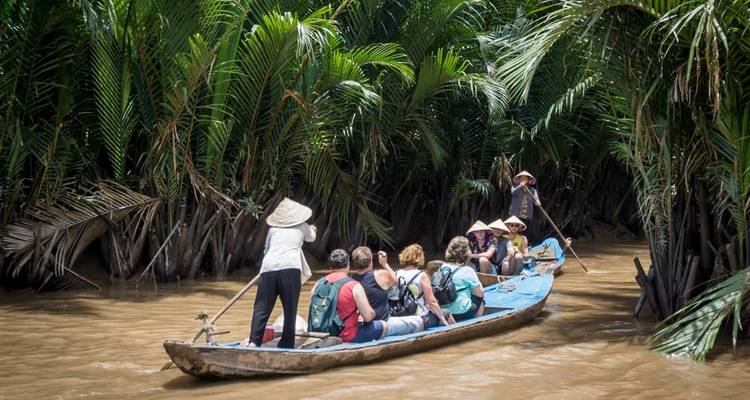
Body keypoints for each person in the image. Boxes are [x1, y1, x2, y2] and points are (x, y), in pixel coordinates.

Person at [248, 198, 317, 348]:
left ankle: (254, 342)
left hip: (269, 268)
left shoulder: (273, 230)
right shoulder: (303, 226)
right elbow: (311, 237)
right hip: (290, 268)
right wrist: (313, 228)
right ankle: (286, 344)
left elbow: (267, 250)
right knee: (290, 308)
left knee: (261, 308)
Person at [311, 249, 387, 343]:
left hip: (321, 334)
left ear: (330, 266)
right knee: (383, 325)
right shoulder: (353, 285)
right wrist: (373, 313)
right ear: (348, 265)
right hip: (346, 336)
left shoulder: (318, 284)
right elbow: (368, 317)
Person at [351, 246, 424, 336]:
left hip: (364, 324)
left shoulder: (351, 279)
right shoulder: (380, 274)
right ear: (370, 262)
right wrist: (385, 264)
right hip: (384, 323)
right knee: (419, 321)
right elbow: (396, 282)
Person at [395, 244, 454, 328]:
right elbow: (432, 302)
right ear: (420, 258)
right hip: (421, 317)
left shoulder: (396, 274)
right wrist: (443, 319)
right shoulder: (421, 276)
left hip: (401, 316)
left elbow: (392, 297)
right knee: (446, 312)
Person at [440, 236, 484, 321]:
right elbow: (480, 293)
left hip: (447, 313)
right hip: (463, 312)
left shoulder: (442, 268)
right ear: (466, 253)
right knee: (481, 298)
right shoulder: (467, 270)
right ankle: (478, 321)